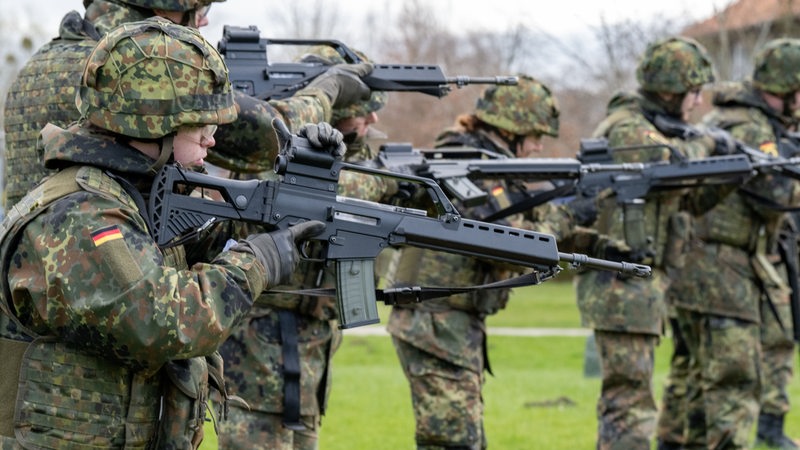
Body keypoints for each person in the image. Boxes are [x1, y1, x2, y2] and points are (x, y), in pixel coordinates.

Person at [0, 18, 342, 449]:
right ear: (150, 123)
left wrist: (293, 196)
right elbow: (162, 320)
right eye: (200, 125)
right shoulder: (79, 216)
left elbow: (206, 240)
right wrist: (257, 263)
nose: (211, 139)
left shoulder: (130, 199)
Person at [385, 75, 626, 450]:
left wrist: (594, 242)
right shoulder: (465, 165)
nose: (537, 146)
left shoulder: (485, 163)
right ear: (509, 128)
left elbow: (524, 222)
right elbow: (508, 243)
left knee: (463, 439)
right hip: (434, 321)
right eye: (533, 135)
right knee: (452, 441)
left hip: (446, 319)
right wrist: (570, 215)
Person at [3, 0, 372, 208]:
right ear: (164, 12)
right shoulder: (147, 76)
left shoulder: (40, 65)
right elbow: (271, 137)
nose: (205, 19)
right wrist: (330, 89)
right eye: (199, 8)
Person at [214, 45, 393, 450]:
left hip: (311, 361)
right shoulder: (273, 155)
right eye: (362, 106)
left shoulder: (362, 161)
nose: (372, 118)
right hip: (256, 364)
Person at [574, 36, 726, 450]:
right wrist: (711, 143)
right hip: (620, 284)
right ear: (670, 89)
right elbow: (672, 163)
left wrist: (729, 176)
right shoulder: (627, 125)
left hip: (639, 286)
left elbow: (688, 199)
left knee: (633, 397)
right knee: (630, 402)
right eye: (694, 92)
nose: (697, 103)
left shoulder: (661, 128)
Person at [670, 37, 800, 450]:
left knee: (693, 376)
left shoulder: (723, 118)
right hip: (722, 269)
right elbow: (775, 196)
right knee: (732, 379)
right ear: (788, 90)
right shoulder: (752, 127)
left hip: (696, 265)